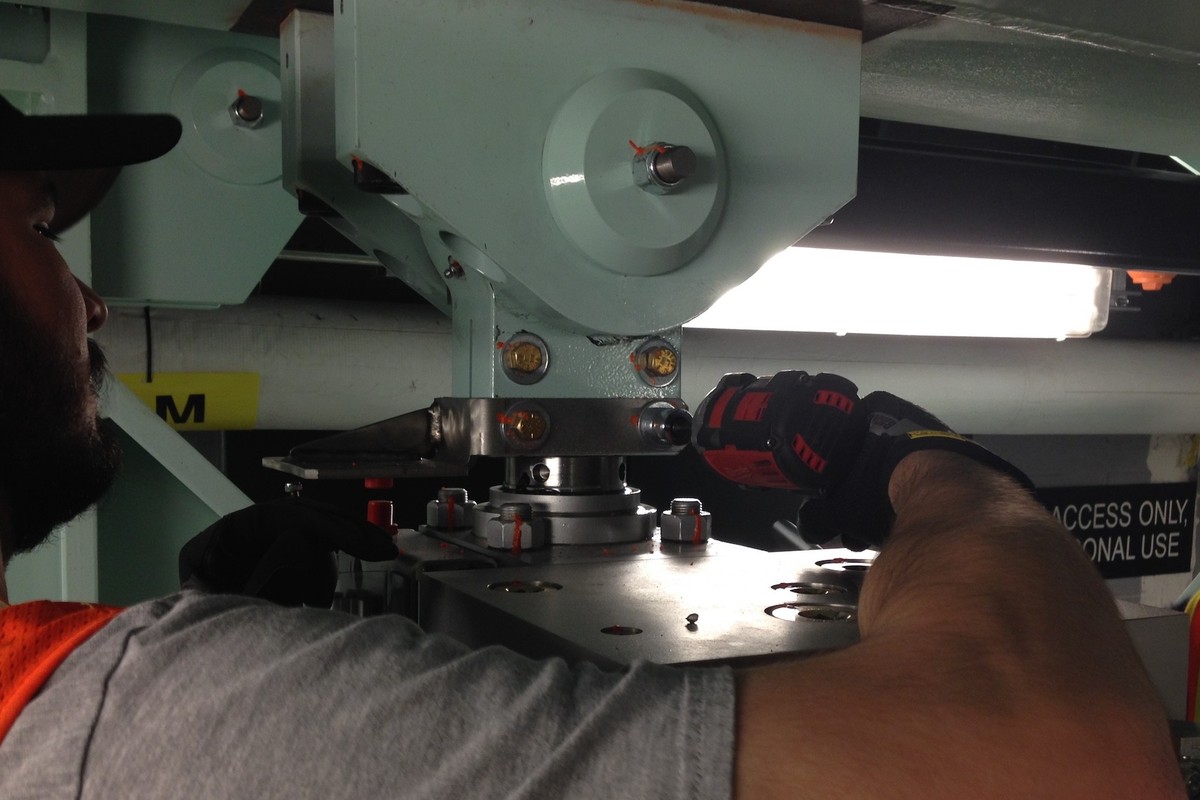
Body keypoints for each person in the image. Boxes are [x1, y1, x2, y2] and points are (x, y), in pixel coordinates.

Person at [0, 95, 1184, 798]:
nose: (88, 298)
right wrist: (925, 463)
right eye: (42, 228)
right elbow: (1054, 756)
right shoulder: (133, 719)